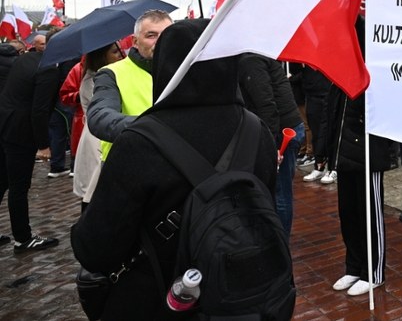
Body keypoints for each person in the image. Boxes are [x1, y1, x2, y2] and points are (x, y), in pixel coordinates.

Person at [71, 19, 279, 320]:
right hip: (244, 296)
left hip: (162, 299)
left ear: (165, 65)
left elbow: (95, 250)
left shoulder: (139, 144)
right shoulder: (258, 131)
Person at [327, 15, 394, 296]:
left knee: (369, 212)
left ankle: (374, 271)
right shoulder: (339, 68)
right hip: (344, 151)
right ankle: (354, 266)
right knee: (349, 212)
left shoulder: (371, 61)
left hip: (367, 148)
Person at [0, 31, 60, 252]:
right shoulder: (49, 70)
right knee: (19, 186)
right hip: (20, 132)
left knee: (2, 182)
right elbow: (39, 110)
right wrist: (44, 144)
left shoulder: (26, 58)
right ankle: (23, 238)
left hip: (5, 123)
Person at [86, 9, 172, 160]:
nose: (160, 41)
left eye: (167, 35)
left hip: (175, 161)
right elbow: (100, 117)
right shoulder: (111, 73)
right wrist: (153, 127)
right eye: (151, 35)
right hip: (129, 162)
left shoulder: (186, 69)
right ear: (135, 42)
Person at [238, 53, 305, 236]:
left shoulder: (249, 59)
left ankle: (280, 244)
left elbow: (266, 105)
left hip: (283, 133)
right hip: (283, 128)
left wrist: (272, 146)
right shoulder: (253, 55)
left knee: (280, 194)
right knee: (278, 192)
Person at [71, 43, 124, 210]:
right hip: (97, 138)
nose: (120, 55)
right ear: (103, 56)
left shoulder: (99, 75)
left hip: (97, 135)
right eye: (114, 52)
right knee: (95, 190)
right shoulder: (96, 80)